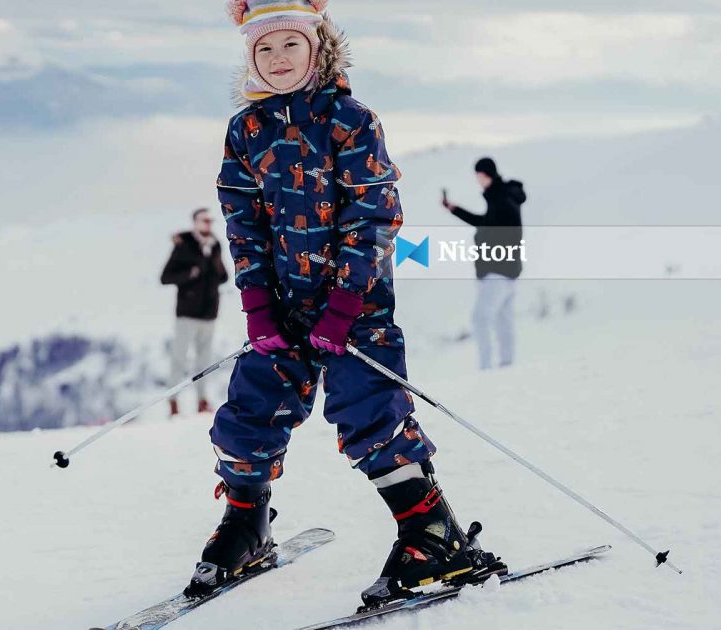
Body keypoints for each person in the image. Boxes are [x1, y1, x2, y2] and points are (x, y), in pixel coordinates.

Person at [184, 0, 504, 607]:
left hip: (354, 309)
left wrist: (344, 304)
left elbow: (375, 214)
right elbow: (242, 218)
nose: (278, 60)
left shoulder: (350, 120)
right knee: (248, 414)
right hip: (281, 307)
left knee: (370, 416)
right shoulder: (245, 130)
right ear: (250, 57)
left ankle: (432, 534)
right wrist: (256, 301)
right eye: (265, 50)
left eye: (291, 46)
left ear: (318, 49)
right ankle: (247, 523)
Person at [443, 158, 526, 370]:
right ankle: (507, 364)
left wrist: (485, 241)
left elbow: (497, 229)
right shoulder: (503, 196)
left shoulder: (501, 199)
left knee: (481, 319)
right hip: (507, 271)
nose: (477, 180)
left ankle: (486, 367)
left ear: (484, 174)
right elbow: (487, 223)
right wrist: (455, 209)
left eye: (478, 175)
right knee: (503, 320)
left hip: (496, 271)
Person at [159, 208, 229, 415]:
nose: (208, 224)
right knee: (179, 358)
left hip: (209, 314)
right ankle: (172, 401)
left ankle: (202, 400)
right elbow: (165, 277)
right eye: (204, 221)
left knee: (204, 360)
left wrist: (212, 263)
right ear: (195, 222)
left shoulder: (215, 245)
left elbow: (223, 276)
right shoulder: (184, 245)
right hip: (187, 314)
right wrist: (191, 273)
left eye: (210, 221)